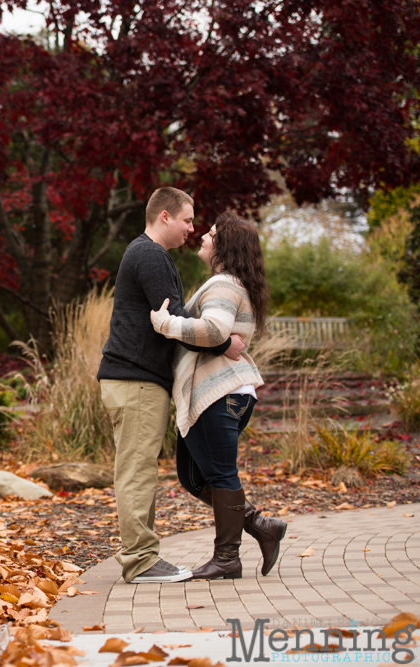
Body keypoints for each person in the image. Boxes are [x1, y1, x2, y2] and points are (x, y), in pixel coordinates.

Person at [98, 187, 245, 584]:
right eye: (187, 220)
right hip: (135, 379)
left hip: (136, 380)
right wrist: (225, 341)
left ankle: (142, 556)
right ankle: (141, 560)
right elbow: (176, 320)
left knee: (139, 468)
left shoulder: (148, 254)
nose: (192, 229)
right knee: (136, 471)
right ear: (165, 216)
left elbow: (172, 320)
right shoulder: (150, 255)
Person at [150, 212, 287, 580]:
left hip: (220, 394)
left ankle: (227, 558)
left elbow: (213, 330)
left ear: (225, 245)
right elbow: (221, 335)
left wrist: (166, 325)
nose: (203, 237)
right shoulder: (229, 283)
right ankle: (260, 525)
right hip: (222, 394)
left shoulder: (224, 284)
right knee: (193, 477)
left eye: (210, 234)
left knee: (221, 475)